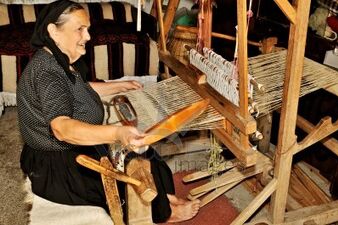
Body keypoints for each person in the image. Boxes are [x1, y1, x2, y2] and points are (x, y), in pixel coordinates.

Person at [16, 0, 200, 223]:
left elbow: (77, 89)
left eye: (87, 29)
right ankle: (163, 212)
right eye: (79, 30)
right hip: (59, 167)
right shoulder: (48, 73)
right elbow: (61, 128)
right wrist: (115, 133)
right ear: (53, 31)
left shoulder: (55, 59)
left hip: (72, 150)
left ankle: (164, 199)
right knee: (129, 174)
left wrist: (119, 86)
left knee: (145, 153)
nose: (88, 37)